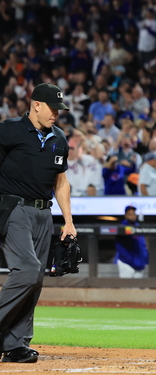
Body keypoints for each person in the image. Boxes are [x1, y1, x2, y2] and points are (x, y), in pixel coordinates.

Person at [0, 83, 76, 363]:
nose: (57, 113)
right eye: (53, 108)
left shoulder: (59, 138)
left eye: (59, 109)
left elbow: (61, 183)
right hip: (13, 206)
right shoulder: (8, 130)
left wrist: (68, 221)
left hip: (44, 213)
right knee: (28, 269)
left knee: (35, 280)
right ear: (36, 105)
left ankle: (16, 344)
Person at [115, 206, 148, 278]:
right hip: (127, 264)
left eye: (134, 214)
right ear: (126, 216)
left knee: (137, 289)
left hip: (139, 265)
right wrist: (129, 260)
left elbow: (142, 244)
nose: (132, 216)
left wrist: (144, 259)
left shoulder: (138, 227)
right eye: (130, 214)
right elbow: (120, 247)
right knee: (126, 288)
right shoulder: (122, 228)